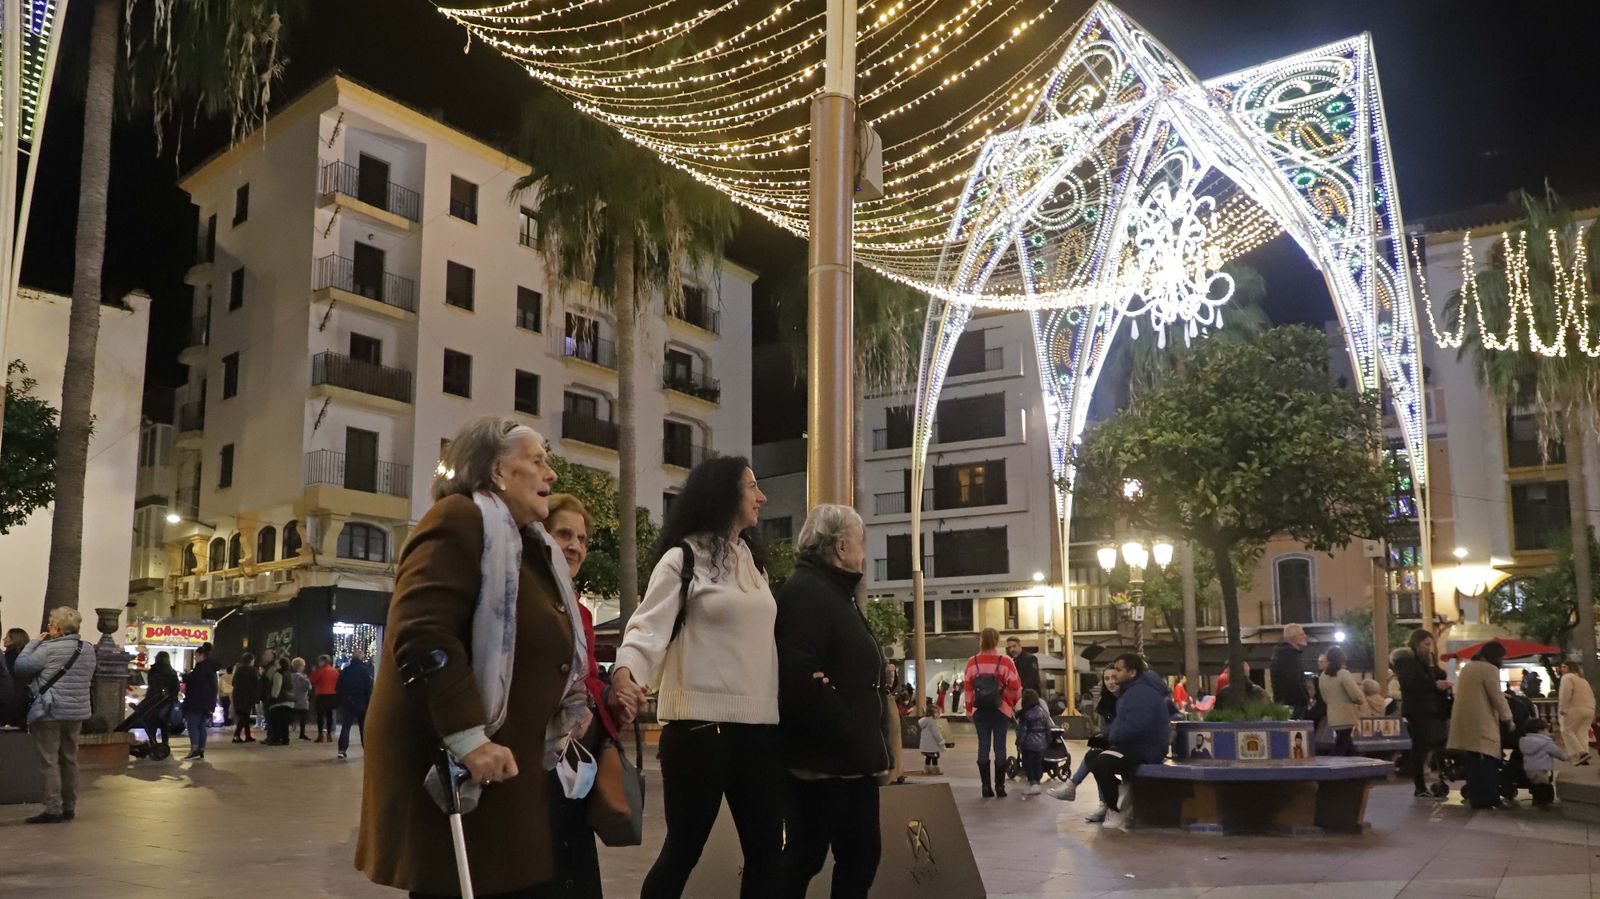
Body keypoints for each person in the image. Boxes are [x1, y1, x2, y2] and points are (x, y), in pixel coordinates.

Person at [356, 416, 596, 897]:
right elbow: (423, 633)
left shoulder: (531, 548)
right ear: (498, 472)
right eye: (537, 461)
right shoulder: (459, 519)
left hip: (509, 770)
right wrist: (468, 737)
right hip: (461, 766)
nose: (550, 474)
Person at [605, 455, 781, 899]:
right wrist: (626, 675)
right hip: (700, 730)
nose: (761, 496)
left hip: (758, 729)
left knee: (766, 853)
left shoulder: (755, 565)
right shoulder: (683, 558)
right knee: (684, 849)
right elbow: (647, 628)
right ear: (724, 494)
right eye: (751, 486)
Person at [774, 503, 890, 899]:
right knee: (810, 858)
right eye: (860, 543)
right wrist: (844, 721)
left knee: (854, 857)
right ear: (841, 547)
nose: (863, 553)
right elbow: (800, 672)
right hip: (826, 762)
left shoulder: (833, 592)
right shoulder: (808, 592)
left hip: (846, 760)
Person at [542, 492, 613, 893]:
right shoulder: (527, 597)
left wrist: (608, 693)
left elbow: (583, 677)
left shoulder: (581, 611)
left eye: (582, 539)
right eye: (564, 534)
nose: (575, 546)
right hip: (536, 762)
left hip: (571, 764)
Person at [14, 607, 95, 823]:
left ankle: (53, 808)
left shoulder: (48, 649)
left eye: (50, 624)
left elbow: (21, 667)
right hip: (76, 712)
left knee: (48, 760)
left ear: (57, 628)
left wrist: (34, 642)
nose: (49, 627)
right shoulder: (87, 649)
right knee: (69, 759)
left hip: (49, 711)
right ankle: (70, 806)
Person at [1090, 654, 1173, 830]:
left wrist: (1112, 737)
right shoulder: (1132, 691)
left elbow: (1137, 724)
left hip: (1146, 749)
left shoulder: (1141, 692)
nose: (1115, 674)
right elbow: (1124, 722)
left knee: (1102, 762)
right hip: (1134, 746)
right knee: (1094, 757)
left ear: (1132, 672)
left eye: (1119, 670)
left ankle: (1117, 806)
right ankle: (1117, 798)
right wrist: (1106, 735)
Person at [1448, 640, 1514, 810]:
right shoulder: (1489, 669)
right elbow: (1496, 696)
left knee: (1473, 761)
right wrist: (1508, 718)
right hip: (1482, 720)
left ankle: (1476, 798)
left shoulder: (1468, 667)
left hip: (1466, 719)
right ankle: (1489, 798)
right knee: (1486, 761)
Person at [963, 627, 1023, 799]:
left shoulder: (972, 661)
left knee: (983, 746)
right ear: (997, 641)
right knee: (1000, 746)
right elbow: (1016, 687)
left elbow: (967, 689)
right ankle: (1000, 786)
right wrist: (1008, 703)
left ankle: (985, 787)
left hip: (980, 710)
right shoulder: (1005, 661)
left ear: (981, 641)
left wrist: (969, 710)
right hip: (1000, 710)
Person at [1391, 630, 1451, 798]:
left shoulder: (1424, 661)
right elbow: (1412, 683)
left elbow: (1436, 675)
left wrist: (1434, 672)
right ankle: (1419, 785)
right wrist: (1434, 683)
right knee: (1421, 746)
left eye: (1430, 645)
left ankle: (1431, 780)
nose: (1429, 648)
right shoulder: (1406, 661)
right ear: (1416, 643)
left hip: (1432, 710)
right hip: (1418, 710)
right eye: (1426, 644)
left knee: (1433, 743)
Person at [1048, 666, 1118, 808]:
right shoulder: (1107, 700)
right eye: (1106, 679)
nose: (1110, 682)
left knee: (1097, 756)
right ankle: (1101, 804)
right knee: (1095, 753)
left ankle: (1075, 788)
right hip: (1114, 742)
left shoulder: (1125, 699)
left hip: (1125, 744)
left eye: (1114, 678)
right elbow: (1105, 728)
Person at [1319, 646, 1363, 756]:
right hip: (1346, 714)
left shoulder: (1323, 675)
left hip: (1332, 714)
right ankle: (1331, 767)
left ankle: (1356, 765)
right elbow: (1355, 695)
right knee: (1341, 745)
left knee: (1346, 743)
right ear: (1342, 658)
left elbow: (1324, 697)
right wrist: (1360, 700)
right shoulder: (1343, 673)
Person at [182, 642, 221, 761]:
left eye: (195, 656)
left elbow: (194, 682)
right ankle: (201, 749)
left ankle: (194, 749)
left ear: (200, 655)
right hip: (207, 703)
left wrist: (186, 676)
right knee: (201, 726)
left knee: (193, 724)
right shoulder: (211, 668)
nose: (195, 658)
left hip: (196, 702)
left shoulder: (201, 667)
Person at [335, 645, 375, 759]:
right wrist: (368, 701)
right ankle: (367, 750)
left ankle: (342, 750)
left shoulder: (346, 671)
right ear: (361, 657)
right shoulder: (366, 671)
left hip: (348, 702)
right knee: (363, 728)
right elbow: (369, 688)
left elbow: (339, 687)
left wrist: (343, 698)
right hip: (362, 703)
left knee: (346, 726)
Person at [1519, 718, 1564, 807]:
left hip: (1529, 769)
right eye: (1547, 730)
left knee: (1535, 786)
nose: (1548, 732)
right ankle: (1545, 802)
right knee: (1544, 785)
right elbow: (1556, 752)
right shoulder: (1546, 743)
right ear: (1541, 730)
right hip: (1541, 769)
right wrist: (1565, 757)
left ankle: (1537, 801)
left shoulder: (1523, 741)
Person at [1015, 688, 1052, 799]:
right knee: (1038, 763)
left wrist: (1019, 743)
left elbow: (1023, 731)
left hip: (1029, 744)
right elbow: (1048, 728)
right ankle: (1037, 783)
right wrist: (1048, 740)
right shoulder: (1043, 712)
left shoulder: (1025, 715)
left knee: (1028, 764)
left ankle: (1033, 784)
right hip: (1042, 744)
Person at [1557, 660, 1595, 766]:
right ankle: (1584, 756)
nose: (1562, 669)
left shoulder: (1567, 678)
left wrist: (1563, 708)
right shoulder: (1583, 680)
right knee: (1581, 733)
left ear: (1569, 668)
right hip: (1589, 708)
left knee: (1567, 730)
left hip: (1574, 708)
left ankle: (1581, 753)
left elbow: (1566, 692)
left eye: (1564, 667)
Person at [1271, 624, 1310, 719]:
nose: (1305, 636)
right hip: (1294, 705)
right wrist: (1305, 698)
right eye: (1302, 634)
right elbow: (1294, 681)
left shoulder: (1281, 654)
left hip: (1283, 704)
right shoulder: (1291, 655)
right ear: (1293, 637)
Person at [145, 651, 181, 753]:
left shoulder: (153, 670)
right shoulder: (172, 672)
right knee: (164, 725)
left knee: (152, 724)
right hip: (166, 702)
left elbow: (151, 685)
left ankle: (153, 744)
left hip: (153, 701)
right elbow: (176, 688)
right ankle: (165, 744)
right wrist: (170, 696)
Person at [3, 626, 33, 727]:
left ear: (15, 640)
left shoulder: (7, 658)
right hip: (22, 700)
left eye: (8, 637)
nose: (4, 638)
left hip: (7, 699)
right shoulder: (28, 659)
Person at [264, 656, 295, 746]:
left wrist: (272, 698)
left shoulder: (278, 674)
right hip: (289, 701)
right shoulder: (289, 674)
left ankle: (276, 739)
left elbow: (276, 689)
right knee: (285, 723)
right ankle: (285, 739)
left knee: (276, 722)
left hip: (279, 702)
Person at [310, 654, 339, 743]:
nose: (318, 663)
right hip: (332, 695)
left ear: (323, 661)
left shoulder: (320, 671)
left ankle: (320, 735)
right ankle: (329, 735)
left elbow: (312, 680)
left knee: (320, 716)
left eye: (319, 661)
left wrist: (314, 672)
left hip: (322, 695)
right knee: (330, 715)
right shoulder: (335, 671)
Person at [230, 653, 258, 743]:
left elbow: (233, 682)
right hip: (247, 696)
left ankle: (248, 735)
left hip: (237, 695)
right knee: (245, 716)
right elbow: (255, 683)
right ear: (251, 660)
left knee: (244, 716)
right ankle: (236, 736)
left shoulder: (239, 669)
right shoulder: (252, 670)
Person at [919, 704, 947, 775]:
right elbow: (936, 733)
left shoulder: (925, 721)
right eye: (938, 712)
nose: (939, 714)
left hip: (926, 744)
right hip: (932, 744)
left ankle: (927, 769)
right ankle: (935, 770)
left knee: (928, 757)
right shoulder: (932, 721)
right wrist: (941, 741)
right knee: (935, 757)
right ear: (934, 713)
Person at [290, 657, 313, 741]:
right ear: (300, 666)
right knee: (303, 718)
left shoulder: (290, 676)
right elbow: (309, 687)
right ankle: (302, 734)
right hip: (302, 700)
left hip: (292, 699)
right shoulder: (303, 677)